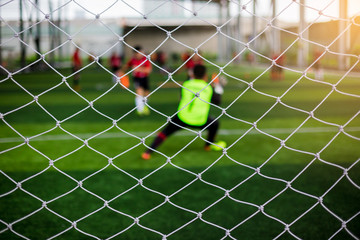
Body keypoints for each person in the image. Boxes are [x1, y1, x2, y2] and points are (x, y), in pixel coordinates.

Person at [141, 64, 226, 160]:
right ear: (205, 76)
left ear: (192, 74)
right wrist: (218, 87)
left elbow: (181, 97)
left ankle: (148, 152)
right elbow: (217, 102)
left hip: (182, 117)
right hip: (200, 120)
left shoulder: (186, 84)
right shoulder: (208, 88)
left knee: (165, 131)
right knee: (215, 124)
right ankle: (208, 145)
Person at [125, 46, 152, 116]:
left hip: (145, 78)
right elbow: (126, 66)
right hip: (137, 78)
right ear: (135, 53)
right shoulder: (132, 60)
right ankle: (140, 110)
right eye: (138, 53)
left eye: (141, 52)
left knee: (147, 94)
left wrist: (139, 69)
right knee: (139, 92)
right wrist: (121, 72)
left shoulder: (146, 59)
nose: (140, 54)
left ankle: (144, 106)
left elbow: (149, 70)